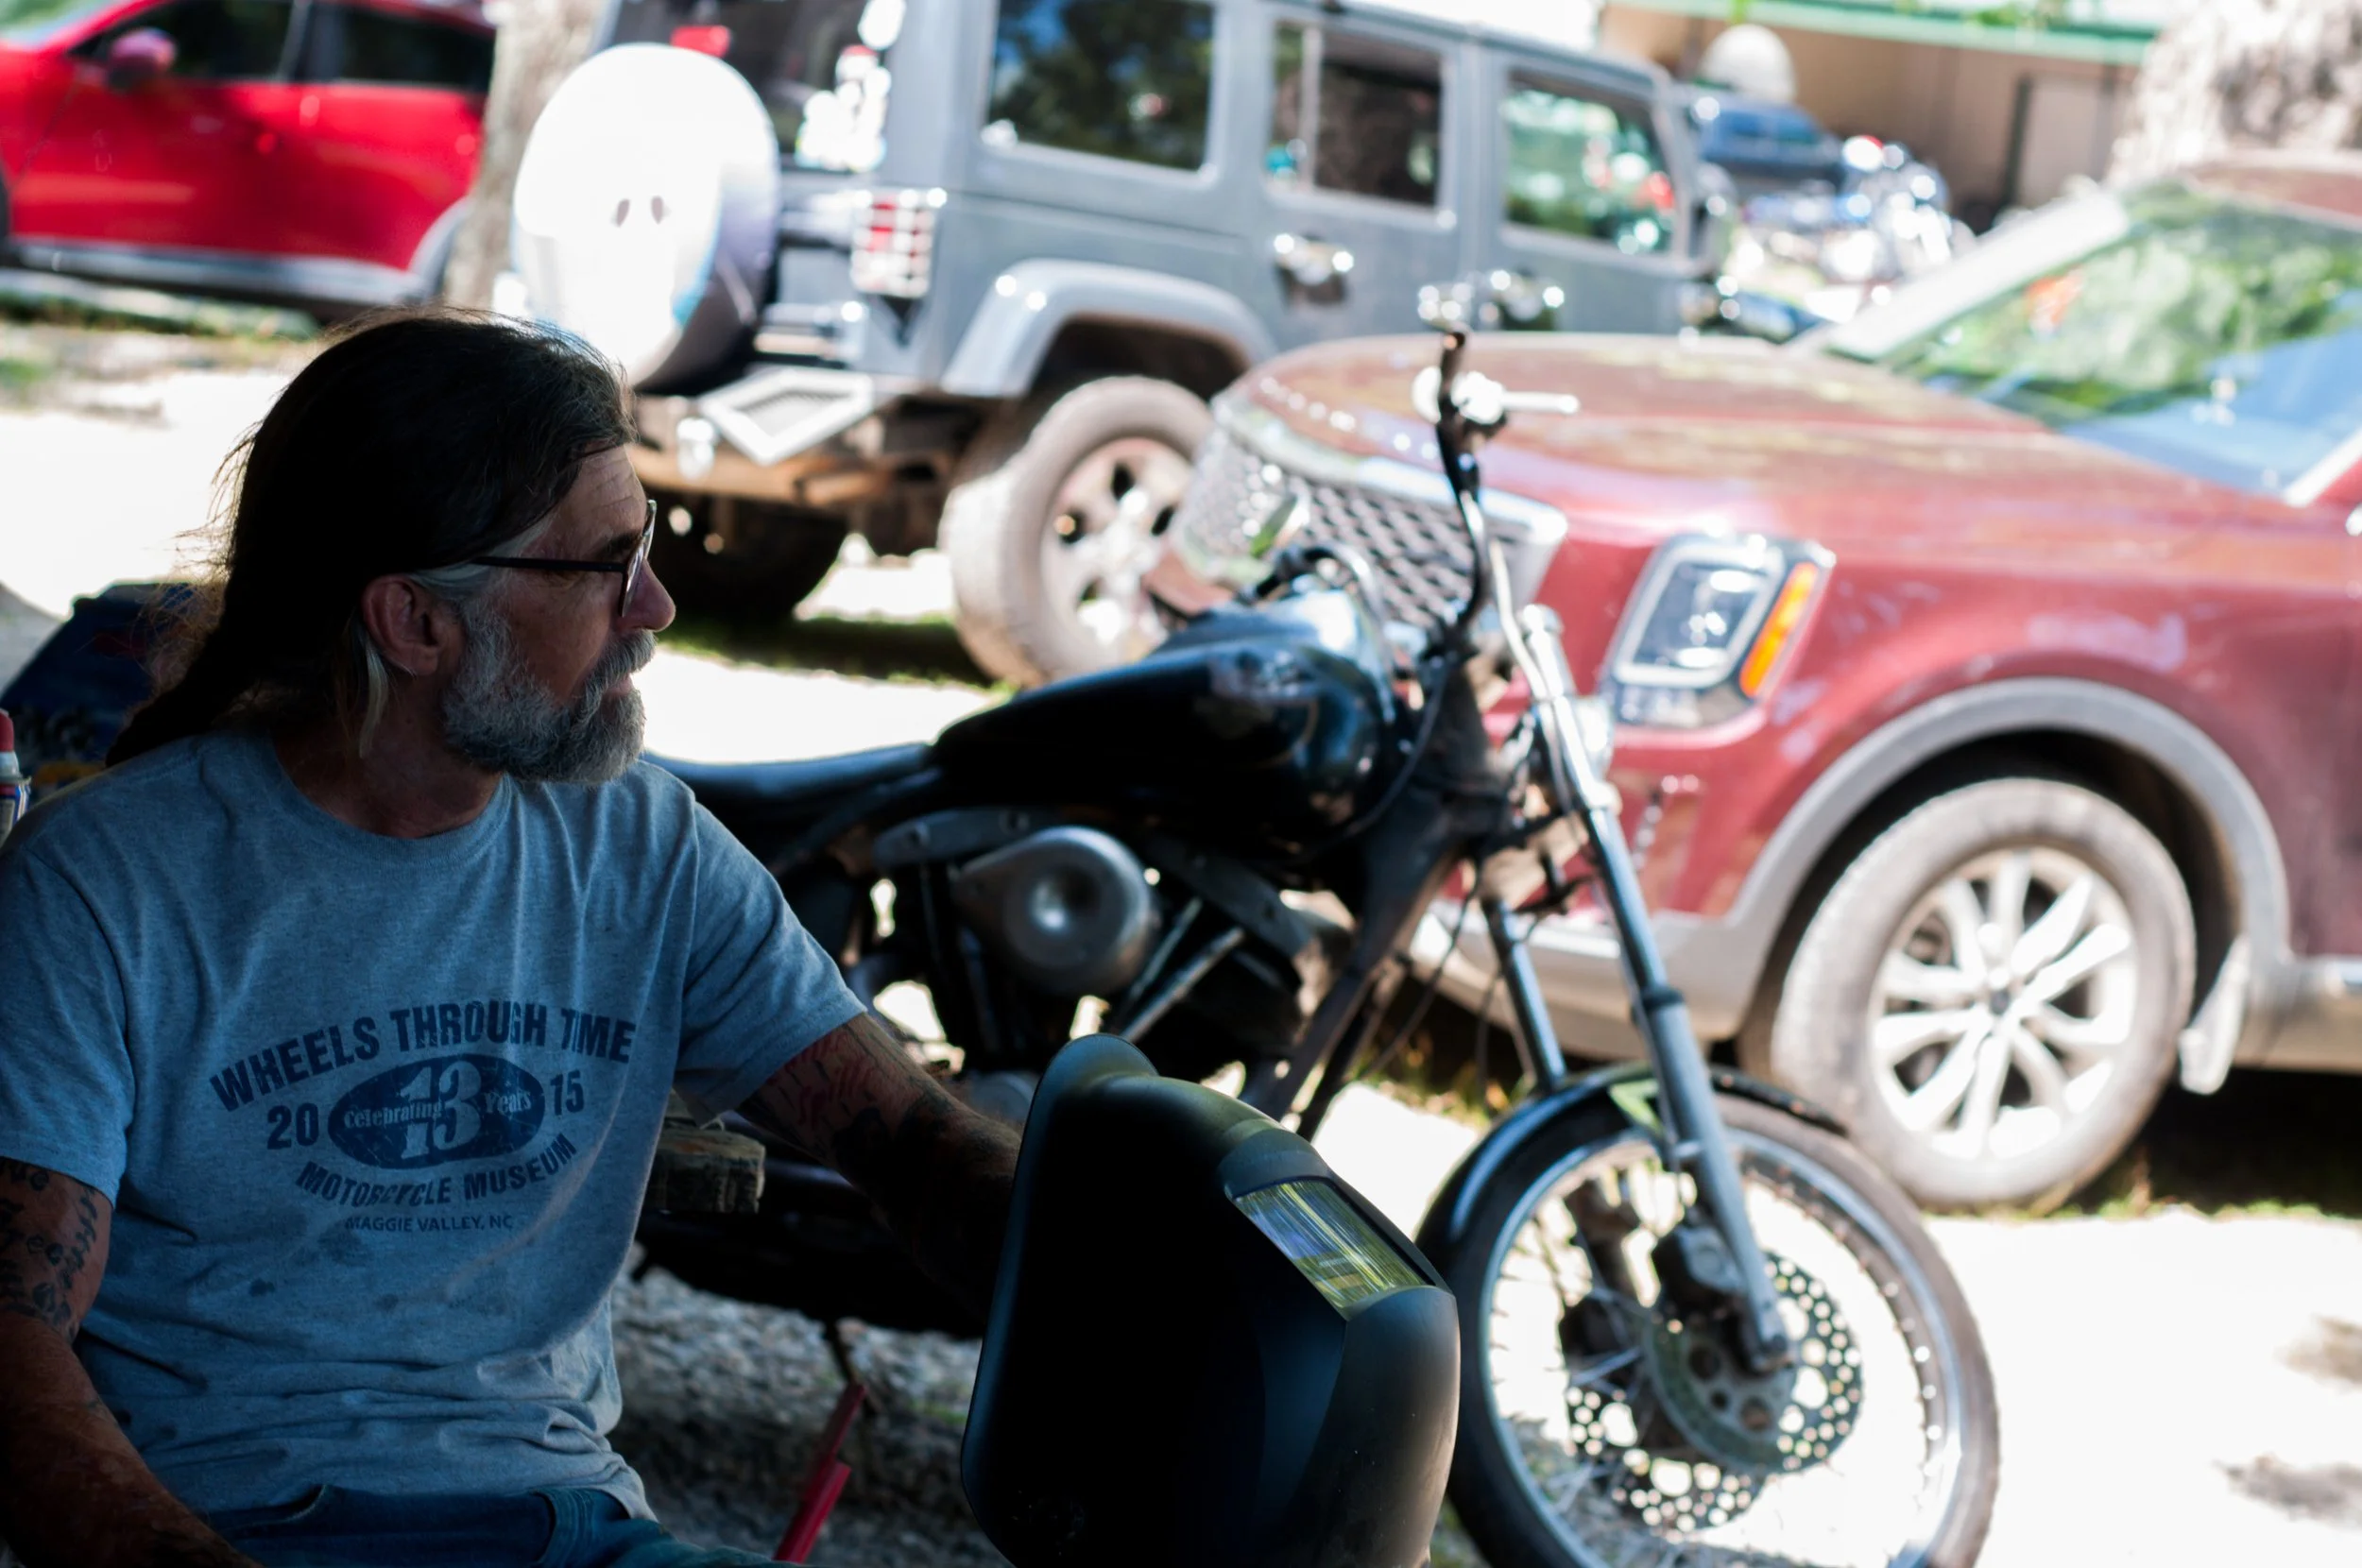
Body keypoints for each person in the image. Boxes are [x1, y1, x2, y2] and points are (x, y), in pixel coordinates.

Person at [0, 312, 1020, 1568]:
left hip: (569, 1526)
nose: (657, 604)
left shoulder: (639, 846)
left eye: (644, 544)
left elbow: (906, 1142)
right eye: (607, 564)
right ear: (415, 623)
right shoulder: (105, 887)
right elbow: (12, 1337)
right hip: (248, 1528)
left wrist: (1116, 1273)